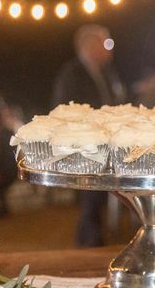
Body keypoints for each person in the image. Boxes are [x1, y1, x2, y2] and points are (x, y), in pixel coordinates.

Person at [52, 24, 126, 247]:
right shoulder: (71, 74)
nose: (109, 48)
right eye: (106, 43)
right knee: (90, 201)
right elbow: (64, 112)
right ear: (90, 45)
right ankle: (88, 250)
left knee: (98, 203)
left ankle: (95, 244)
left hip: (107, 149)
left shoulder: (106, 73)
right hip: (85, 151)